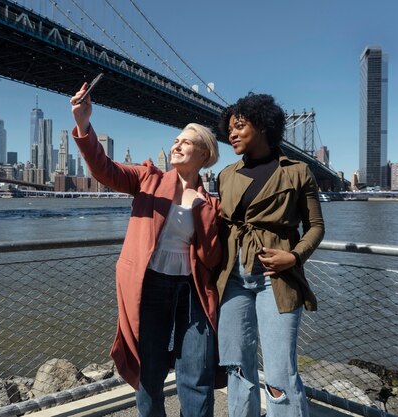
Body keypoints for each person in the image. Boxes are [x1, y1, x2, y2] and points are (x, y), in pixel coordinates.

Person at [70, 81, 222, 417]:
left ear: (204, 154)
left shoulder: (211, 203)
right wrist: (83, 124)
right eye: (176, 140)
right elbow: (104, 169)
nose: (177, 145)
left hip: (192, 293)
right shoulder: (147, 179)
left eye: (187, 142)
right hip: (149, 286)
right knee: (149, 377)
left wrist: (203, 212)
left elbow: (212, 258)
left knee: (196, 377)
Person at [215, 93, 325, 417]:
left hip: (275, 279)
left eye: (239, 126)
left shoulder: (298, 171)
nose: (231, 134)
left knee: (278, 377)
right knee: (236, 370)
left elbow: (316, 226)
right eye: (229, 128)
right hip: (232, 278)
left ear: (262, 125)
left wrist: (294, 257)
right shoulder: (225, 175)